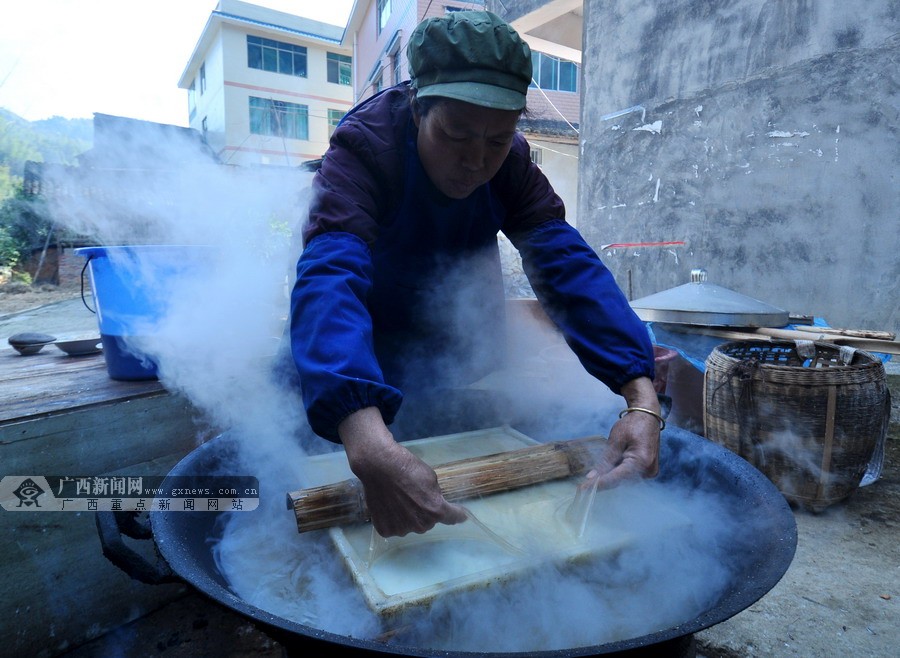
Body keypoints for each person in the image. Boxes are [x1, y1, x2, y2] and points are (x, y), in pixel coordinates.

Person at [290, 10, 662, 538]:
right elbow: (330, 280)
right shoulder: (363, 153)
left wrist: (642, 401)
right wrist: (367, 440)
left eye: (497, 139)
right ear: (419, 110)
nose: (476, 161)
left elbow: (567, 266)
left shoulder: (509, 164)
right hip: (359, 360)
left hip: (453, 357)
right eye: (457, 134)